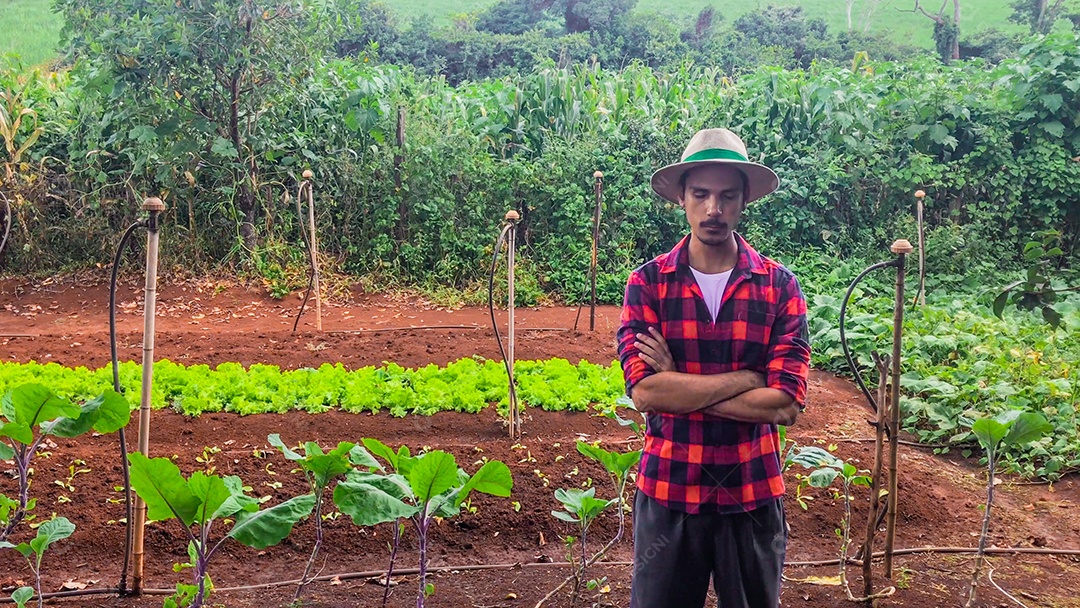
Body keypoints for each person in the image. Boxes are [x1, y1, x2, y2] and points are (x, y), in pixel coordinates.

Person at [616, 128, 811, 608]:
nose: (713, 209)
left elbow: (785, 404)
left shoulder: (779, 286)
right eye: (700, 194)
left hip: (752, 492)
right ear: (681, 198)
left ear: (744, 200)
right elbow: (646, 394)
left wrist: (681, 382)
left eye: (726, 196)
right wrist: (750, 378)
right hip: (669, 489)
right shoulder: (647, 283)